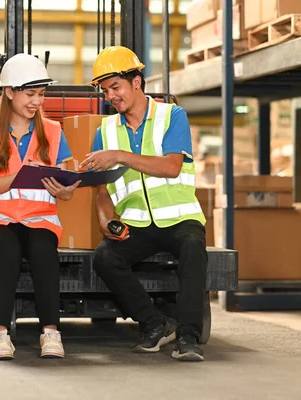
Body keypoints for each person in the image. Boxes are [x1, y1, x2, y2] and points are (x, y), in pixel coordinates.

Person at [79, 46, 208, 362]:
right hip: (136, 225)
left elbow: (171, 166)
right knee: (105, 258)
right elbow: (103, 191)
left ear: (137, 82)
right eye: (106, 90)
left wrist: (121, 155)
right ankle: (155, 323)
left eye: (115, 87)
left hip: (180, 219)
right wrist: (106, 220)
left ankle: (189, 336)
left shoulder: (171, 116)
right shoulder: (106, 131)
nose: (111, 96)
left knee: (193, 248)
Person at [0, 53, 80, 361]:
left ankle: (50, 332)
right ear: (9, 92)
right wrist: (19, 175)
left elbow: (67, 193)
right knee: (7, 250)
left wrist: (66, 189)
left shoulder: (54, 132)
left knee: (44, 251)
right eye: (30, 94)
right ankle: (0, 334)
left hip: (39, 220)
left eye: (41, 95)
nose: (37, 101)